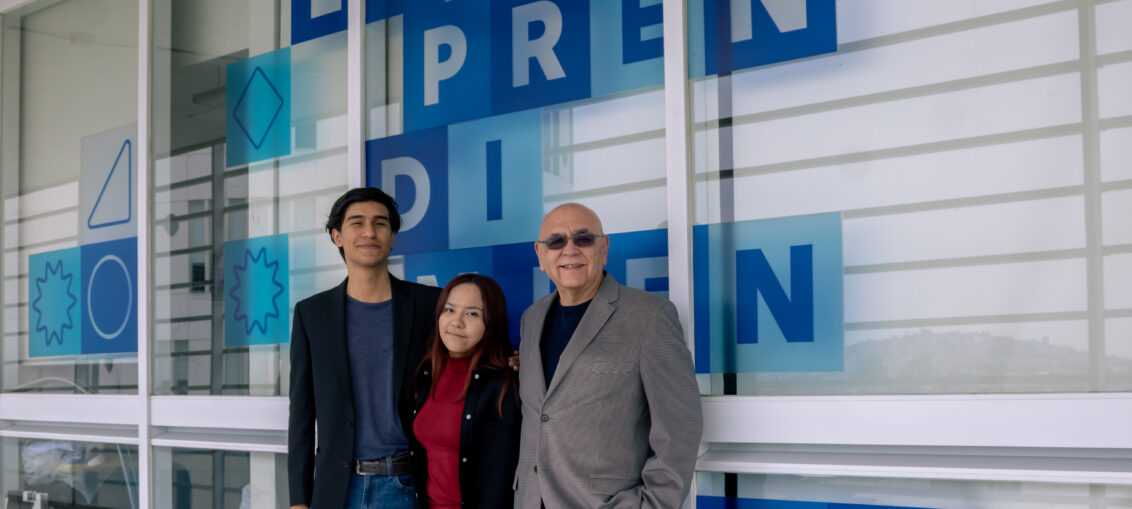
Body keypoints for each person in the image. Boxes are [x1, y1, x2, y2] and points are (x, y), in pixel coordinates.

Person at [514, 203, 703, 508]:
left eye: (583, 239)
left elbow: (680, 428)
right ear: (541, 254)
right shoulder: (531, 319)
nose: (570, 249)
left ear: (604, 248)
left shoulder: (650, 317)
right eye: (556, 241)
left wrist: (652, 504)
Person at [288, 187, 442, 509]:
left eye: (380, 223)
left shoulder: (429, 305)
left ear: (393, 236)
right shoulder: (311, 314)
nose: (369, 232)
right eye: (357, 223)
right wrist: (299, 500)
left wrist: (510, 360)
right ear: (337, 236)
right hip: (336, 490)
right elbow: (301, 413)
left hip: (406, 484)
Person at [409, 274, 521, 508]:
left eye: (472, 314)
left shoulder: (506, 381)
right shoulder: (427, 373)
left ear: (492, 322)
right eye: (449, 310)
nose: (456, 322)